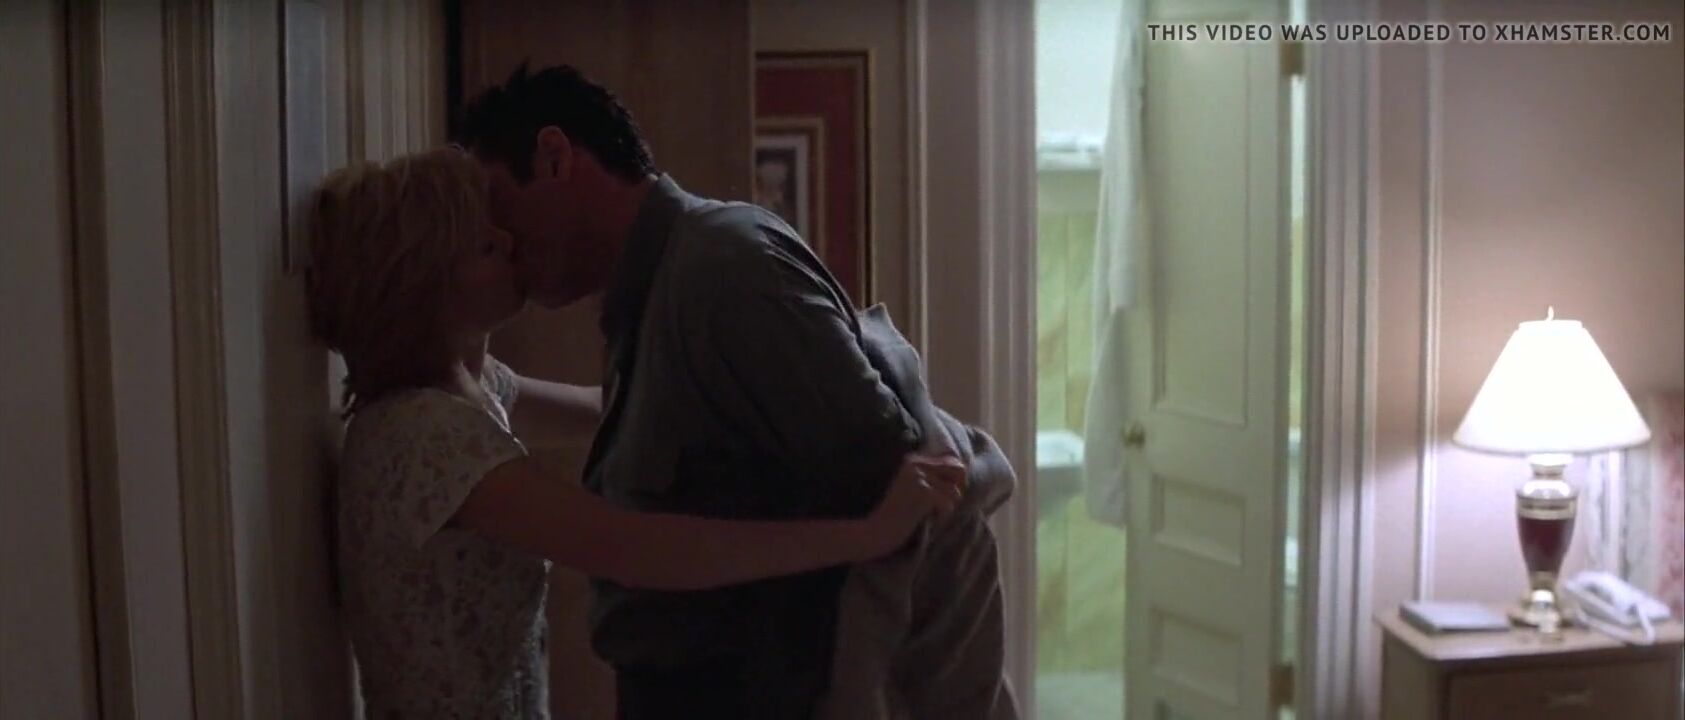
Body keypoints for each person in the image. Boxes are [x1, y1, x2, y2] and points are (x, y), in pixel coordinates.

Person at [304, 148, 963, 720]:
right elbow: (631, 547)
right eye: (483, 246)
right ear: (423, 288)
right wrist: (865, 533)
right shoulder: (424, 434)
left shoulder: (470, 390)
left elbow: (619, 407)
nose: (508, 243)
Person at [455, 63, 1015, 719]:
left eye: (497, 201)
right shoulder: (655, 293)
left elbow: (897, 488)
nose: (497, 237)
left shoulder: (720, 271)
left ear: (554, 158)